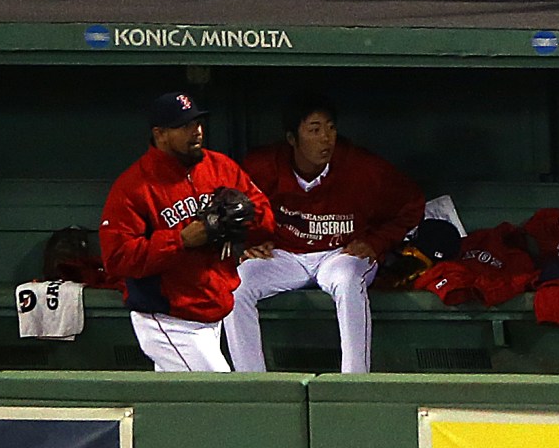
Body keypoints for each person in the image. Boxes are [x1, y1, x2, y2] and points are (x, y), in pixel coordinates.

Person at [230, 97, 424, 375]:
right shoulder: (263, 165)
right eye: (314, 130)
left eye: (331, 129)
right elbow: (232, 204)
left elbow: (412, 202)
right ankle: (255, 384)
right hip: (287, 255)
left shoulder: (361, 167)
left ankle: (354, 382)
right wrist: (249, 242)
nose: (326, 139)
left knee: (347, 280)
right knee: (236, 286)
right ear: (292, 138)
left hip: (340, 253)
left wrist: (376, 242)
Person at [98, 90, 273, 374]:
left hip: (212, 312)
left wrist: (244, 221)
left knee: (182, 409)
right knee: (225, 402)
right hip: (166, 319)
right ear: (160, 134)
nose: (197, 132)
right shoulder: (133, 186)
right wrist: (179, 241)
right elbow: (117, 258)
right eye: (185, 126)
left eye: (198, 123)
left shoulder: (220, 167)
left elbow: (266, 219)